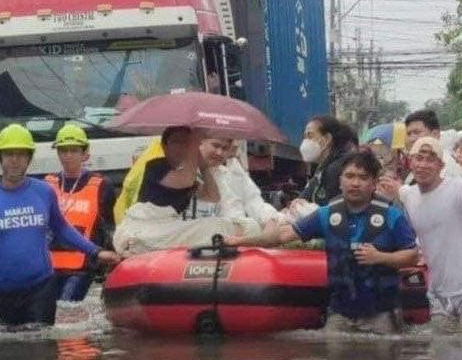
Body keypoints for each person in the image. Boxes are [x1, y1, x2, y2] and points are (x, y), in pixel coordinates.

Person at [225, 150, 419, 333]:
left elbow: (412, 256)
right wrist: (240, 241)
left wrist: (380, 257)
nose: (355, 183)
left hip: (381, 313)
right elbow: (282, 236)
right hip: (340, 313)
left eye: (363, 177)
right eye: (349, 176)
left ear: (374, 183)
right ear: (340, 181)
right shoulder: (326, 214)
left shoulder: (391, 215)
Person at [0, 123, 120, 326]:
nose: (15, 161)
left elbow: (62, 228)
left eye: (21, 155)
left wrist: (96, 252)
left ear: (29, 158)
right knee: (4, 351)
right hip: (1, 292)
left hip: (41, 288)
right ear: (0, 158)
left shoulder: (43, 192)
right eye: (9, 155)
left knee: (42, 348)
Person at [397, 137, 462, 331]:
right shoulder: (408, 195)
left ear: (441, 165)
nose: (423, 165)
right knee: (441, 352)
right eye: (418, 158)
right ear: (410, 162)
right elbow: (395, 191)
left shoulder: (461, 188)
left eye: (430, 159)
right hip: (438, 290)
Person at [112, 127, 260, 254]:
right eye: (178, 142)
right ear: (164, 146)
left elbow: (213, 196)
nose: (183, 147)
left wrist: (204, 166)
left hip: (168, 227)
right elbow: (184, 181)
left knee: (242, 226)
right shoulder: (156, 165)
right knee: (215, 227)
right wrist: (195, 151)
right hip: (143, 229)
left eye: (187, 143)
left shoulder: (190, 171)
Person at [45, 123, 116, 302]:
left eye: (73, 150)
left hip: (82, 266)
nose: (67, 156)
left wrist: (109, 259)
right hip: (49, 265)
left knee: (66, 307)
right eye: (63, 150)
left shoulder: (101, 185)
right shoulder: (48, 184)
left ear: (85, 154)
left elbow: (109, 226)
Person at [296, 115, 359, 206]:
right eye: (305, 137)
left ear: (327, 139)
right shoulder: (324, 167)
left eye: (310, 136)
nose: (305, 142)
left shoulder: (338, 167)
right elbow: (305, 196)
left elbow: (331, 207)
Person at [403, 109, 462, 180]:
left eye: (417, 132)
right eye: (409, 134)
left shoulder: (446, 165)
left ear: (435, 134)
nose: (411, 139)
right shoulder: (418, 165)